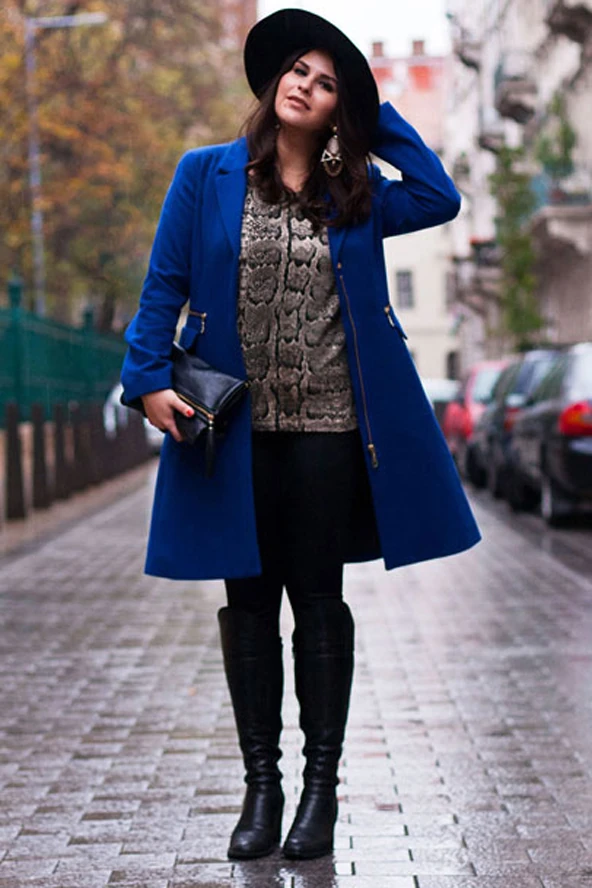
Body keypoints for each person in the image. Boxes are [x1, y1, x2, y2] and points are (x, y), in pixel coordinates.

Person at [121, 8, 480, 862]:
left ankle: (321, 789)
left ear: (336, 109)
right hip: (233, 425)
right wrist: (146, 379)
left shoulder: (358, 194)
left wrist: (370, 115)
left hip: (328, 424)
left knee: (317, 600)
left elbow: (439, 194)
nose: (304, 86)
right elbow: (164, 284)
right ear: (273, 79)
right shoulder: (204, 174)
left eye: (324, 84)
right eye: (297, 71)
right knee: (248, 604)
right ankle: (263, 786)